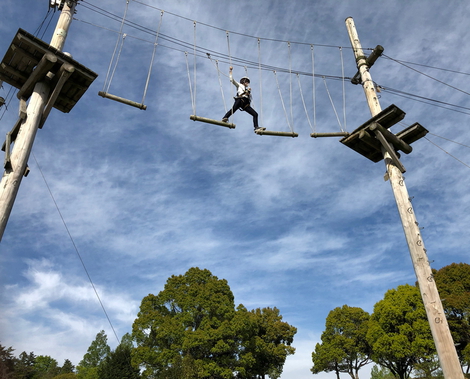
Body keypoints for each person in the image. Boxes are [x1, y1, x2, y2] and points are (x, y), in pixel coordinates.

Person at [222, 66, 265, 132]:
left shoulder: (246, 89)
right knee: (233, 109)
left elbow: (247, 96)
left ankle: (256, 127)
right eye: (247, 82)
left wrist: (248, 91)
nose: (248, 83)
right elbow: (232, 80)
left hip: (246, 104)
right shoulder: (239, 85)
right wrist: (230, 71)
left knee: (255, 114)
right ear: (244, 81)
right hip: (240, 100)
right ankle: (225, 117)